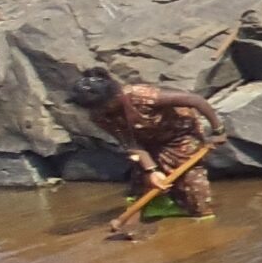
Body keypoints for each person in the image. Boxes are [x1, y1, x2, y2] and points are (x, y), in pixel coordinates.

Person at [69, 67, 225, 220]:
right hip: (146, 141)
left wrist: (218, 130)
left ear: (114, 97)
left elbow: (194, 100)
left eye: (102, 106)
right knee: (147, 183)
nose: (99, 111)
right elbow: (130, 143)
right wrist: (151, 170)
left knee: (192, 190)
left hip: (179, 134)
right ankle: (161, 205)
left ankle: (195, 209)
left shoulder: (141, 96)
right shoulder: (100, 115)